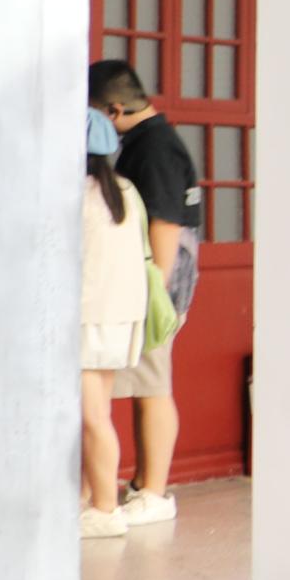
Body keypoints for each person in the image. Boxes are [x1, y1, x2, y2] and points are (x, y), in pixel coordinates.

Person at [92, 57, 200, 524]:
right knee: (144, 384)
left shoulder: (154, 147)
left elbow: (165, 225)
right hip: (149, 281)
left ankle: (154, 492)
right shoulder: (149, 140)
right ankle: (143, 484)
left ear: (114, 110)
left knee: (153, 384)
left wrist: (153, 289)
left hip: (155, 284)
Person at [78, 110, 156, 541]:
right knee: (95, 415)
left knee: (92, 418)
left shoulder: (76, 194)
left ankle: (105, 509)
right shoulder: (124, 190)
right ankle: (86, 498)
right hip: (119, 318)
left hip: (88, 318)